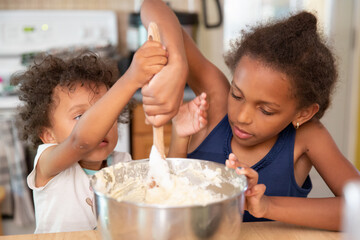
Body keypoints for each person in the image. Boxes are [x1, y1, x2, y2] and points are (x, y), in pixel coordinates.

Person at [140, 0, 360, 231]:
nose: (242, 116)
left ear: (303, 113)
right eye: (236, 95)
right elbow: (153, 6)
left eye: (266, 110)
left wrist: (266, 206)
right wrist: (177, 63)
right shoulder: (215, 102)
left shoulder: (308, 137)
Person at [11, 39, 169, 233]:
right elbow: (81, 141)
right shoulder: (48, 163)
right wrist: (132, 78)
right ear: (48, 135)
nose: (99, 127)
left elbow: (165, 193)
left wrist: (181, 133)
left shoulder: (122, 164)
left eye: (105, 114)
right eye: (80, 116)